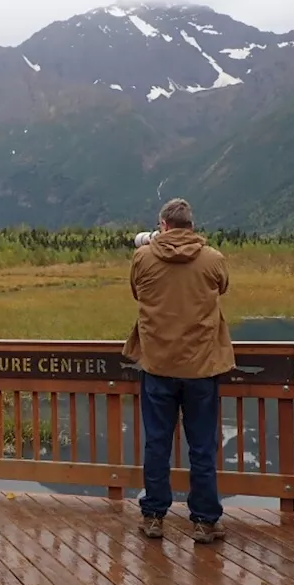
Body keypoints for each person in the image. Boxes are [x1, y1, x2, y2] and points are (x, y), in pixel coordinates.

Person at [123, 198, 234, 544]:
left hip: (157, 366)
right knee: (202, 447)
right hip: (202, 368)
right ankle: (203, 521)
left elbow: (135, 291)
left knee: (157, 444)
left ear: (163, 225)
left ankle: (154, 516)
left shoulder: (143, 257)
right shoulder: (213, 259)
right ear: (191, 225)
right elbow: (223, 287)